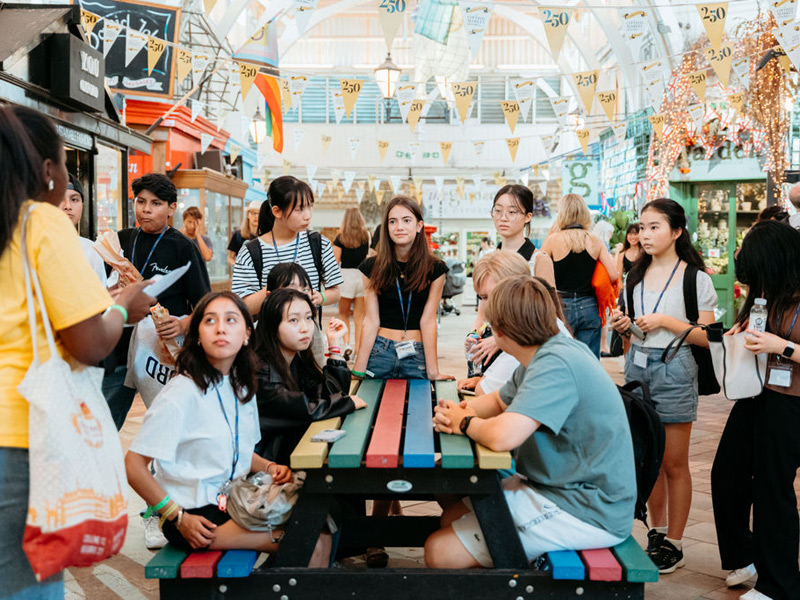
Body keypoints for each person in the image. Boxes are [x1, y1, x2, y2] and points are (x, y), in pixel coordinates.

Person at [0, 105, 154, 600]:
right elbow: (90, 343)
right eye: (66, 166)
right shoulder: (39, 223)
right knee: (25, 585)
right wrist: (125, 307)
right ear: (47, 170)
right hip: (20, 434)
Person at [426, 276, 636, 569]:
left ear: (499, 331)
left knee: (439, 551)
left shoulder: (555, 364)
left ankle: (515, 576)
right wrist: (458, 410)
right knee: (451, 513)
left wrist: (464, 423)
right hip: (560, 487)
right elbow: (498, 401)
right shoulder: (546, 351)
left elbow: (503, 437)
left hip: (588, 508)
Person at [125, 291, 332, 565]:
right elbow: (133, 465)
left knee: (321, 520)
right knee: (310, 539)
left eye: (231, 320)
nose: (221, 328)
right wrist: (177, 516)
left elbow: (236, 449)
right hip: (195, 516)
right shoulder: (181, 392)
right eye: (210, 320)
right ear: (198, 335)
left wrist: (269, 467)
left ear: (247, 334)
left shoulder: (240, 384)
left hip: (231, 499)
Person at [610, 198, 717, 574]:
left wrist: (668, 322)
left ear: (676, 231)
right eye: (642, 227)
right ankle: (656, 532)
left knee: (673, 461)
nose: (645, 234)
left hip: (675, 368)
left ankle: (676, 540)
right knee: (648, 457)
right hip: (637, 367)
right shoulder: (633, 276)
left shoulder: (695, 278)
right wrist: (624, 325)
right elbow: (633, 331)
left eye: (654, 227)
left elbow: (709, 337)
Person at [713, 221, 800, 598]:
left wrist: (782, 346)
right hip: (758, 394)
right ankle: (743, 555)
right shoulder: (771, 292)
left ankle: (778, 585)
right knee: (727, 473)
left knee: (772, 489)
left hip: (792, 403)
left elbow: (782, 344)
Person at [103, 173, 211, 431]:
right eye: (140, 202)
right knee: (104, 423)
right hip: (117, 349)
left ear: (171, 208)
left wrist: (183, 325)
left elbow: (206, 304)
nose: (146, 210)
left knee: (170, 423)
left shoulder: (183, 247)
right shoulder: (121, 240)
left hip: (160, 352)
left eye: (156, 203)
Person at [253, 288, 366, 465]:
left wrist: (334, 347)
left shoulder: (294, 359)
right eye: (293, 320)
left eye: (308, 318)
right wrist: (346, 403)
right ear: (272, 325)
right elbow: (302, 410)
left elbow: (328, 394)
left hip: (291, 451)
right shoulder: (261, 370)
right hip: (271, 464)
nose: (305, 328)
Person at [353, 196, 452, 380]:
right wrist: (358, 369)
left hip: (416, 353)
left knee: (419, 398)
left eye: (406, 220)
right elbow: (371, 320)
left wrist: (433, 371)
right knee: (371, 397)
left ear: (419, 226)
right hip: (380, 351)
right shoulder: (371, 267)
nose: (399, 227)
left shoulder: (435, 269)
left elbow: (428, 321)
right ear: (386, 227)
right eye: (393, 221)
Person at [231, 176, 343, 322]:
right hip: (269, 334)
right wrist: (277, 287)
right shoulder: (251, 252)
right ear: (277, 211)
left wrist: (320, 297)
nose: (308, 215)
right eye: (299, 209)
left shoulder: (319, 244)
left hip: (308, 332)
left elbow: (336, 292)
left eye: (310, 206)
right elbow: (242, 305)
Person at [457, 251, 570, 396]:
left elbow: (486, 392)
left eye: (496, 296)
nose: (490, 306)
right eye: (484, 298)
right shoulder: (541, 323)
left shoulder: (525, 338)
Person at [542, 193, 618, 357]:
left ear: (562, 213)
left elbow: (538, 271)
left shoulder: (553, 240)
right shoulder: (595, 240)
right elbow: (613, 275)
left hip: (561, 306)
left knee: (562, 359)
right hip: (589, 306)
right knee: (589, 361)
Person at [491, 184, 554, 286]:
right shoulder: (490, 259)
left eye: (512, 212)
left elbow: (548, 296)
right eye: (498, 211)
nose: (503, 218)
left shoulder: (538, 260)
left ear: (527, 217)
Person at [333, 208, 370, 361]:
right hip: (361, 276)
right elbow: (368, 257)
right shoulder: (366, 236)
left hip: (345, 277)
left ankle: (347, 345)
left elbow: (335, 260)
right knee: (360, 316)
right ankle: (358, 351)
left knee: (343, 314)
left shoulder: (340, 238)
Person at [59, 173, 107, 283]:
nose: (68, 206)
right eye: (60, 199)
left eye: (74, 199)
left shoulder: (91, 249)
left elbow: (100, 291)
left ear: (82, 204)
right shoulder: (35, 246)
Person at [228, 200, 261, 266]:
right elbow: (230, 258)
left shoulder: (267, 235)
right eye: (253, 213)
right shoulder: (238, 235)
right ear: (248, 215)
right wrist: (239, 267)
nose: (256, 216)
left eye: (259, 213)